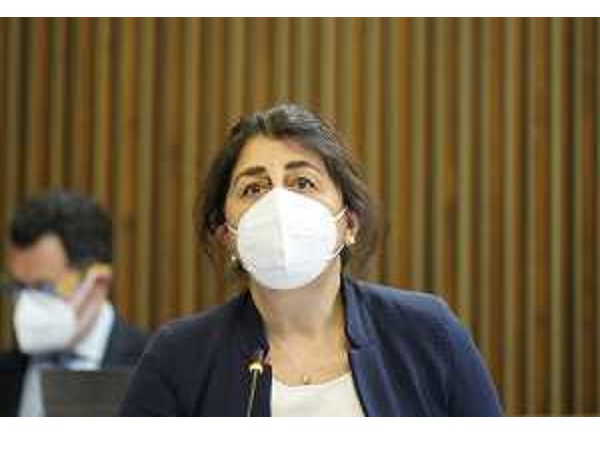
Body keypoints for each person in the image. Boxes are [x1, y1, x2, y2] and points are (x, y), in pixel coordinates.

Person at [121, 104, 502, 416]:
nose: (278, 203)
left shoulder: (428, 334)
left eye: (303, 183)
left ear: (348, 223)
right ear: (227, 234)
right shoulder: (178, 358)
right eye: (253, 188)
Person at [0, 190, 148, 416]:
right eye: (19, 287)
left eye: (44, 288)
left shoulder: (155, 367)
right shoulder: (7, 372)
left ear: (97, 283)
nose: (25, 305)